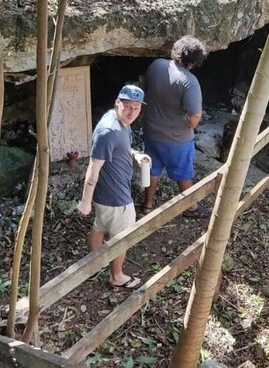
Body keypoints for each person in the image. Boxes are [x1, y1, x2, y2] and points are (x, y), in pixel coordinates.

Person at [76, 84, 151, 289]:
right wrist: (85, 201)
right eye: (127, 106)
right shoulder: (109, 131)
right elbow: (93, 167)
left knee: (100, 225)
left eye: (136, 108)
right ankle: (116, 276)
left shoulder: (119, 121)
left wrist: (136, 155)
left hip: (107, 193)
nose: (131, 112)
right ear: (117, 102)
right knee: (122, 237)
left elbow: (120, 148)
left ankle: (93, 263)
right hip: (116, 197)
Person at [141, 35, 210, 218]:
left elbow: (145, 91)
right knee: (183, 173)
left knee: (152, 168)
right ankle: (191, 207)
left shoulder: (156, 65)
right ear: (195, 62)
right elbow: (195, 115)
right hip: (176, 139)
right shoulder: (189, 81)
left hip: (151, 131)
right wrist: (189, 125)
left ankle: (147, 205)